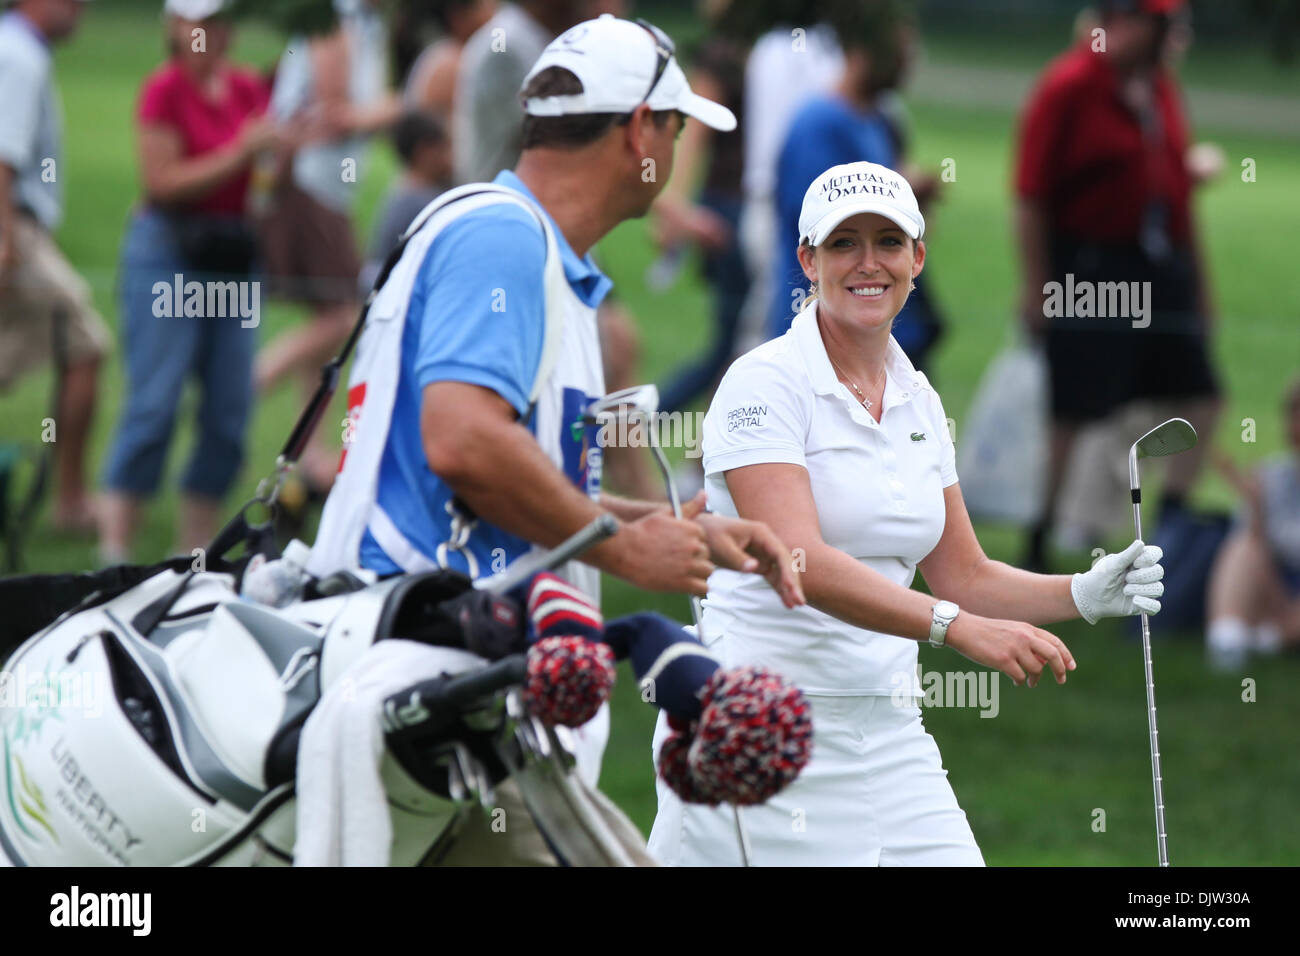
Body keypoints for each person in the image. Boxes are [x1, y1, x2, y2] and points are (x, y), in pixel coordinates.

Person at [306, 15, 803, 864]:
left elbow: (501, 484)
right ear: (642, 129)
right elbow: (463, 445)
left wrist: (669, 528)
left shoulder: (533, 253)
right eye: (678, 126)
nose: (680, 149)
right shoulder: (504, 239)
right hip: (428, 685)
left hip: (454, 687)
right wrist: (623, 546)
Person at [647, 161, 1169, 866]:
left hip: (889, 731)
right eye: (843, 244)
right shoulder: (762, 382)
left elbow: (964, 573)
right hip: (761, 729)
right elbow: (797, 559)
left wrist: (1081, 593)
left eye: (888, 242)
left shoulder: (917, 396)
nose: (869, 263)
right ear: (808, 259)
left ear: (917, 258)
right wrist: (952, 629)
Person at [1015, 0, 1221, 571]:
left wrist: (1199, 279)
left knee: (1200, 389)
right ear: (1123, 22)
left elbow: (1175, 189)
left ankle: (1171, 524)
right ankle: (1042, 530)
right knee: (1076, 406)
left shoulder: (1158, 89)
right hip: (1090, 265)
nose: (1168, 37)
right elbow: (1031, 194)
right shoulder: (1071, 87)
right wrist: (1036, 285)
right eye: (1159, 25)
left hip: (1159, 263)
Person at [97, 0, 279, 563]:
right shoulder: (165, 89)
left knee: (229, 409)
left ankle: (193, 552)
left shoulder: (248, 87)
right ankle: (115, 550)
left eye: (222, 21)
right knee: (154, 402)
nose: (215, 33)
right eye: (203, 23)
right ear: (177, 28)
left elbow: (263, 180)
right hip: (169, 252)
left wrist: (279, 155)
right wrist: (240, 153)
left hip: (231, 253)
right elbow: (164, 183)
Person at [255, 0, 401, 490]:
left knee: (329, 317)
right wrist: (404, 104)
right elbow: (336, 114)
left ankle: (306, 451)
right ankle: (246, 387)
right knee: (342, 316)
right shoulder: (338, 22)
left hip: (318, 184)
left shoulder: (353, 21)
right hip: (310, 184)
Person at [767, 2, 942, 371]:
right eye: (898, 52)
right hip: (825, 327)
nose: (907, 63)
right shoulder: (820, 124)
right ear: (863, 52)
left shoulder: (880, 119)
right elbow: (816, 224)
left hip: (880, 329)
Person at [0, 0, 109, 535]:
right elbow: (1, 153)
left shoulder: (15, 46)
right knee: (86, 342)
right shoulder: (18, 54)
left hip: (20, 226)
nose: (80, 9)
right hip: (12, 227)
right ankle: (71, 503)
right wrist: (5, 241)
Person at [1206, 377, 1300, 669]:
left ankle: (1274, 638)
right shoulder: (1272, 475)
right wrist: (1257, 510)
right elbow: (1256, 545)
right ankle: (1229, 638)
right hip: (1275, 584)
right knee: (1243, 549)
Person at [357, 109, 452, 293]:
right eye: (446, 146)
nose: (452, 155)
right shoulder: (419, 202)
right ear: (424, 152)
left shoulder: (402, 191)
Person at [404, 0, 498, 119]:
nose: (494, 14)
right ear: (457, 16)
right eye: (485, 6)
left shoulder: (455, 55)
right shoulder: (451, 63)